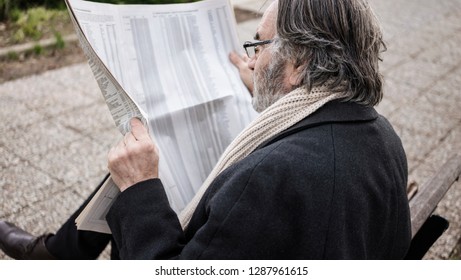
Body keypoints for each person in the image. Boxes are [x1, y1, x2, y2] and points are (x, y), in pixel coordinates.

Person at [0, 0, 411, 259]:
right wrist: (269, 90)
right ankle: (57, 253)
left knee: (143, 170)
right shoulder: (383, 137)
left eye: (259, 46)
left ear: (299, 63)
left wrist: (142, 191)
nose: (251, 60)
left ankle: (55, 255)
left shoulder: (270, 179)